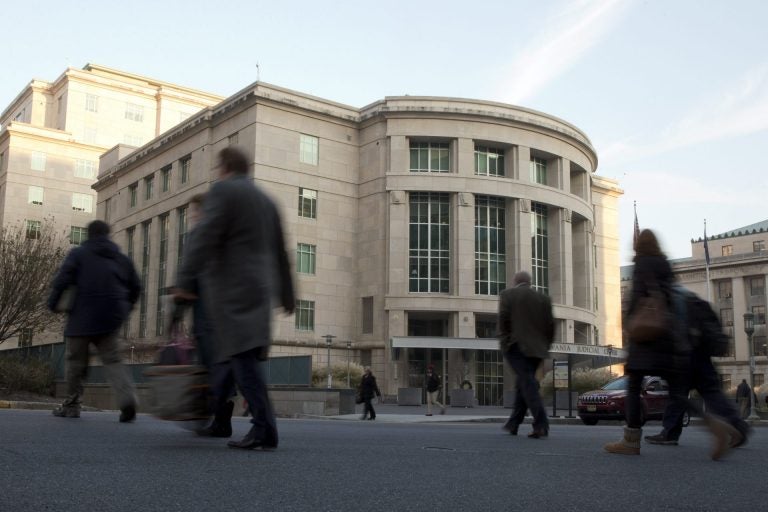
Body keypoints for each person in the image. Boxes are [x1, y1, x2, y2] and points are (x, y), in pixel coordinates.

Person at [175, 147, 295, 450]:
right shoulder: (268, 201)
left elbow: (204, 236)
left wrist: (185, 281)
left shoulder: (224, 191)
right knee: (244, 357)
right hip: (261, 288)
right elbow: (282, 252)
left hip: (234, 288)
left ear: (225, 167)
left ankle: (264, 428)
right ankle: (258, 426)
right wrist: (287, 293)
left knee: (242, 359)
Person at [605, 229, 739, 458]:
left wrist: (628, 328)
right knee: (677, 394)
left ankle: (631, 440)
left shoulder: (642, 265)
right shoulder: (665, 266)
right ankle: (714, 425)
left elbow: (637, 301)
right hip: (668, 341)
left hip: (645, 340)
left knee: (634, 386)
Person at [47, 220, 140, 422]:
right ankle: (127, 400)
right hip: (111, 318)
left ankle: (72, 405)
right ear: (108, 235)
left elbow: (62, 280)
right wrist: (126, 308)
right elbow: (136, 287)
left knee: (76, 362)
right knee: (113, 360)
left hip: (81, 316)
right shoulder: (121, 259)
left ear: (89, 235)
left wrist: (53, 304)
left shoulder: (78, 255)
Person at [644, 287, 749, 452]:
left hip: (683, 355)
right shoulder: (689, 296)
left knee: (677, 395)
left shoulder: (666, 296)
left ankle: (670, 433)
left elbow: (670, 330)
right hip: (702, 354)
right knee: (712, 393)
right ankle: (738, 426)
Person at [498, 270, 554, 438]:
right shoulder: (543, 299)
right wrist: (546, 344)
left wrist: (506, 342)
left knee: (527, 382)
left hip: (517, 346)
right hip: (538, 349)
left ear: (516, 281)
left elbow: (504, 319)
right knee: (524, 381)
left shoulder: (508, 295)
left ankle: (541, 422)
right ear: (529, 282)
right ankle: (513, 424)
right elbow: (551, 325)